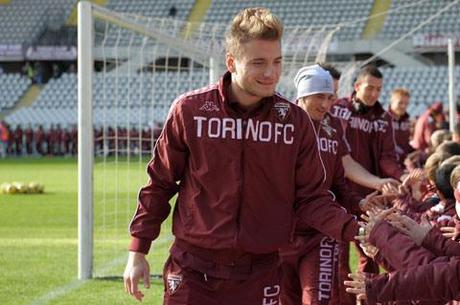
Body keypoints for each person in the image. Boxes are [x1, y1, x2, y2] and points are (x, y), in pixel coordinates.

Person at [123, 8, 361, 305]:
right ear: (232, 62)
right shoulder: (190, 111)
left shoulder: (294, 122)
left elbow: (312, 198)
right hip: (192, 269)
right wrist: (138, 251)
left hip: (259, 273)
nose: (271, 73)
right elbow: (160, 183)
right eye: (259, 63)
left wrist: (358, 230)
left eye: (277, 62)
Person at [279, 64, 383, 305]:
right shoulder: (281, 126)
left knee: (317, 300)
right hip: (282, 235)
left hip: (321, 234)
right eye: (319, 97)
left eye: (330, 97)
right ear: (303, 95)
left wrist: (359, 201)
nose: (326, 104)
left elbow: (339, 183)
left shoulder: (331, 128)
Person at [330, 65, 404, 280]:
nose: (374, 94)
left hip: (370, 196)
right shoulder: (338, 109)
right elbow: (342, 158)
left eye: (379, 89)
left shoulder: (384, 117)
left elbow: (387, 157)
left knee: (370, 258)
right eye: (369, 87)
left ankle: (368, 298)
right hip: (339, 195)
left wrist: (400, 176)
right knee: (339, 262)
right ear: (356, 86)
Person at [388, 88, 412, 168]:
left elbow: (405, 143)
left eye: (406, 104)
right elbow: (387, 145)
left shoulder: (406, 120)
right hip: (389, 164)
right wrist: (405, 155)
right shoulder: (384, 119)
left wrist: (415, 151)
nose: (403, 106)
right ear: (392, 102)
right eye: (400, 103)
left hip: (403, 162)